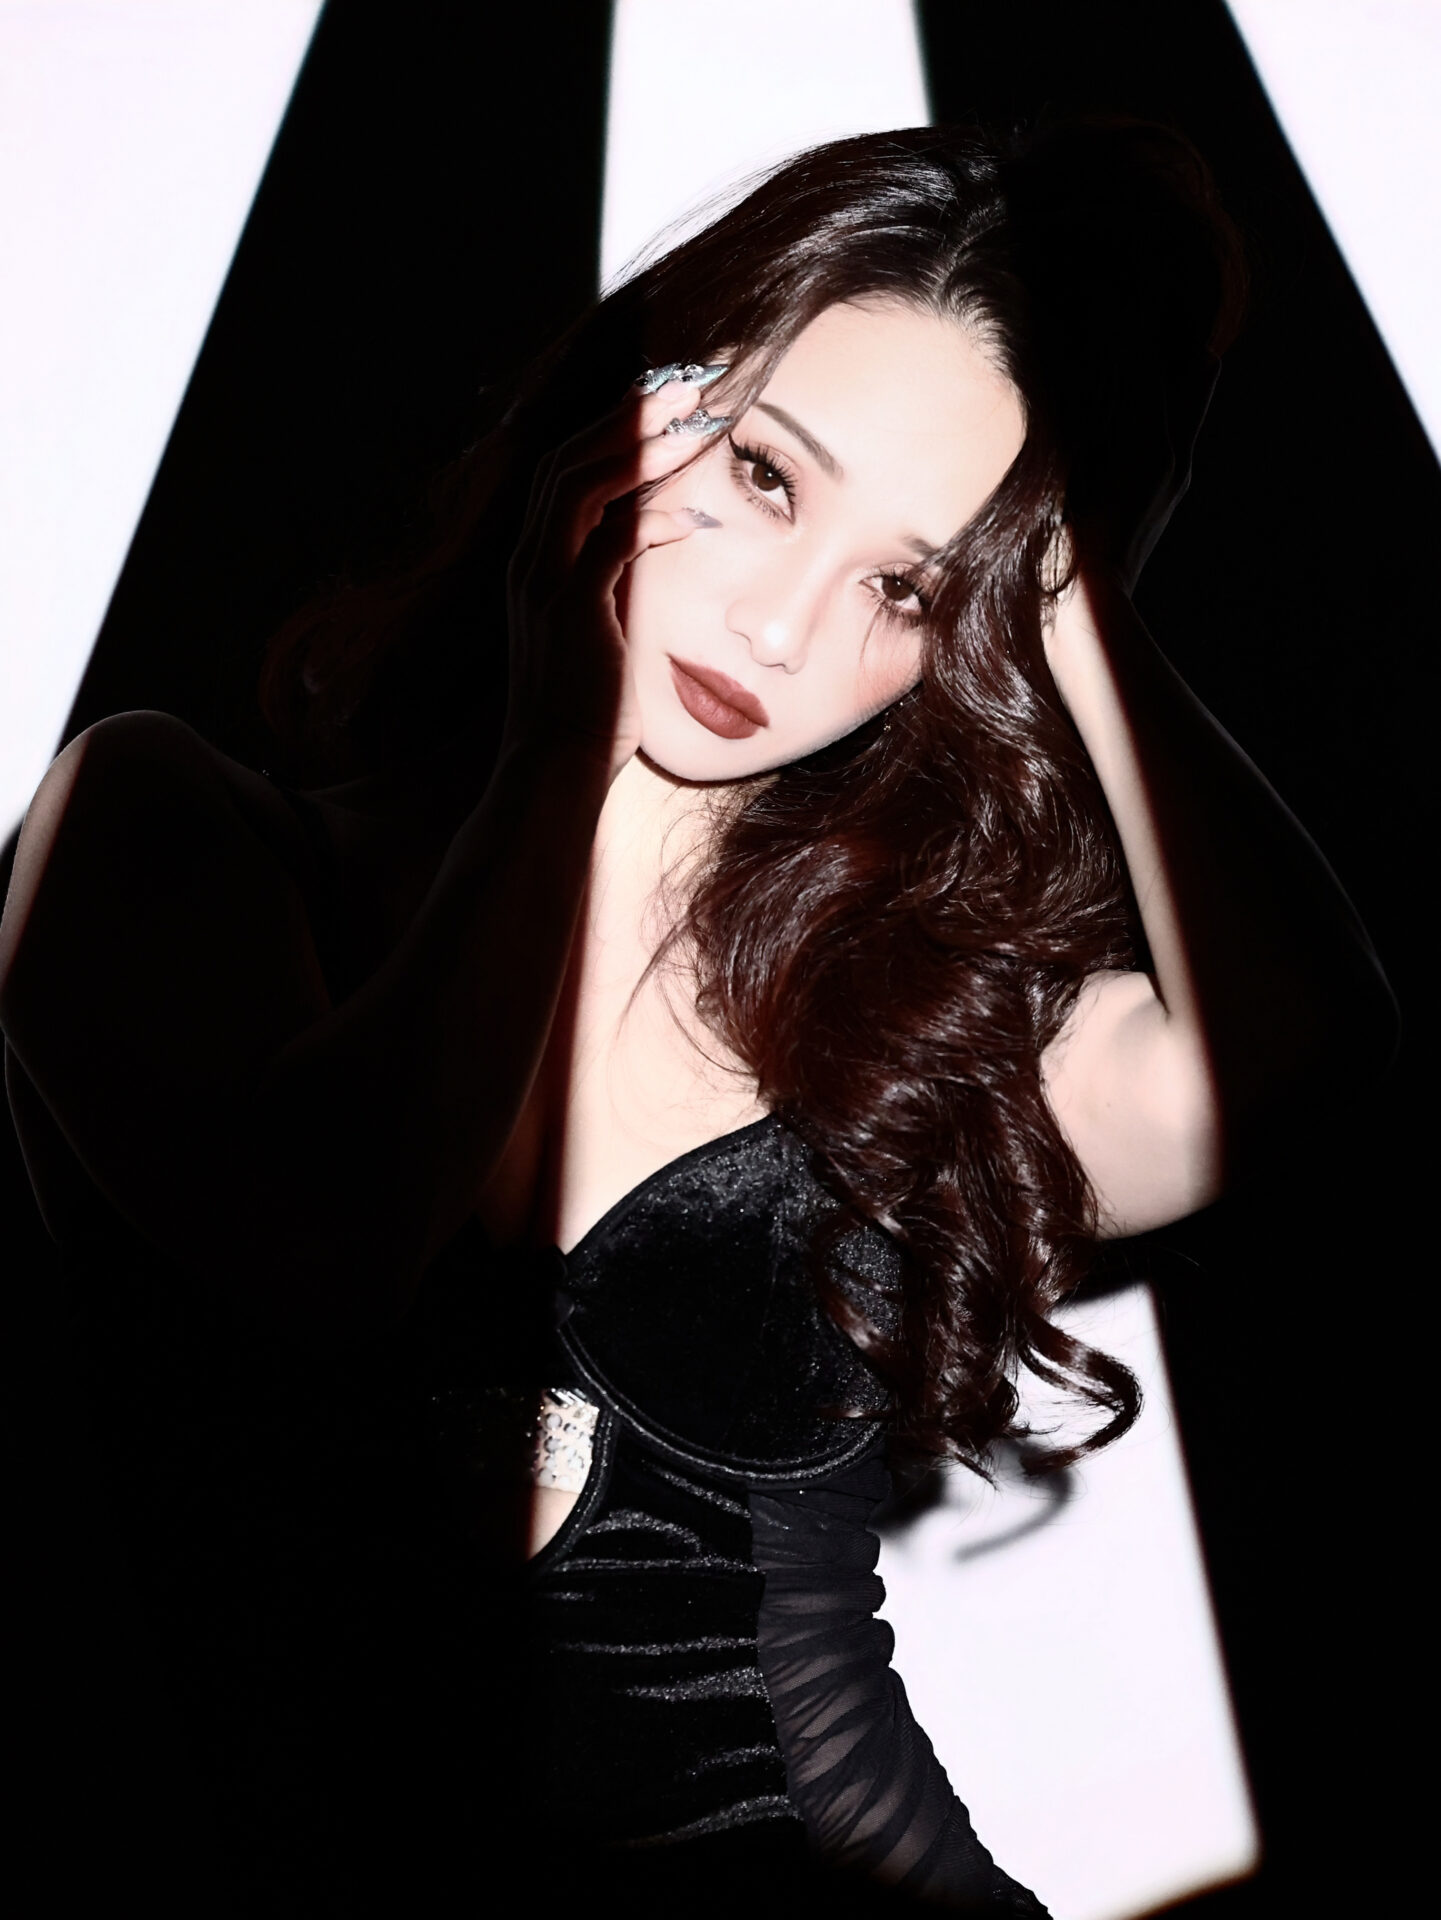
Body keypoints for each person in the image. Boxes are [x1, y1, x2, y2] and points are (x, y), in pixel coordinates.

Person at [0, 122, 1395, 1914]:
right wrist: (547, 750)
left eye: (907, 584)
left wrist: (1073, 602)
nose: (781, 623)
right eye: (762, 473)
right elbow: (329, 1244)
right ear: (629, 415)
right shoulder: (162, 828)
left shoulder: (912, 1016)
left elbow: (1300, 1081)